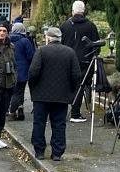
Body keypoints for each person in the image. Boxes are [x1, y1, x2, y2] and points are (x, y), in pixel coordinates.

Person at [28, 27, 81, 161]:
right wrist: (70, 90)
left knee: (39, 123)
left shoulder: (41, 51)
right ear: (60, 38)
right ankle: (57, 152)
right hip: (62, 96)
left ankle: (39, 151)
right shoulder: (70, 53)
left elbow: (33, 72)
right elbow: (76, 75)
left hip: (41, 95)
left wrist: (33, 88)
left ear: (48, 38)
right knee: (59, 124)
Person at [60, 0, 99, 122]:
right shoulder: (91, 26)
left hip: (66, 59)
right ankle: (75, 113)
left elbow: (59, 43)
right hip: (84, 60)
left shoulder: (64, 26)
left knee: (65, 85)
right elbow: (96, 45)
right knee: (79, 86)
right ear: (84, 11)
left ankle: (61, 112)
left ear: (72, 11)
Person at [8, 22, 35, 120]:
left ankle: (19, 109)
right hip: (22, 70)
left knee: (12, 91)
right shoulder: (25, 41)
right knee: (19, 91)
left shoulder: (8, 39)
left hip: (9, 70)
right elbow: (31, 56)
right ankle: (13, 112)